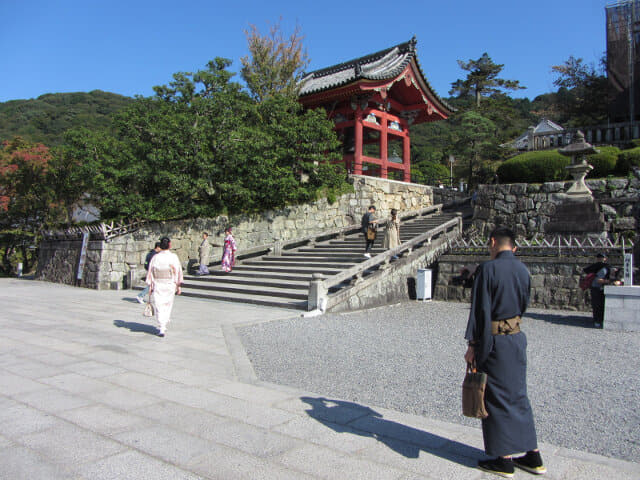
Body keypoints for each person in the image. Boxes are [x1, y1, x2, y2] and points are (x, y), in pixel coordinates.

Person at [464, 227, 545, 478]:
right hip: (516, 337)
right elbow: (524, 304)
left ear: (492, 242)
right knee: (518, 395)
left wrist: (473, 346)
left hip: (495, 341)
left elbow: (480, 311)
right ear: (514, 247)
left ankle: (504, 458)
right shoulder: (523, 269)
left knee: (495, 396)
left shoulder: (487, 270)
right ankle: (533, 454)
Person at [146, 237, 183, 337]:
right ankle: (163, 324)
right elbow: (178, 270)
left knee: (159, 304)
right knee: (167, 304)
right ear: (170, 245)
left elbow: (150, 271)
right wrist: (178, 284)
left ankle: (162, 325)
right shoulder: (173, 257)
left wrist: (150, 284)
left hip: (158, 283)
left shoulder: (155, 257)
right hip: (169, 283)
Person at [583, 252, 611, 328]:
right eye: (600, 257)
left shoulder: (596, 266)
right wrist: (609, 281)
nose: (601, 259)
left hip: (596, 287)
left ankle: (598, 319)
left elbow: (585, 270)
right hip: (597, 287)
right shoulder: (604, 267)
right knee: (598, 305)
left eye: (602, 257)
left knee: (598, 305)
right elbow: (599, 280)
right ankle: (598, 320)